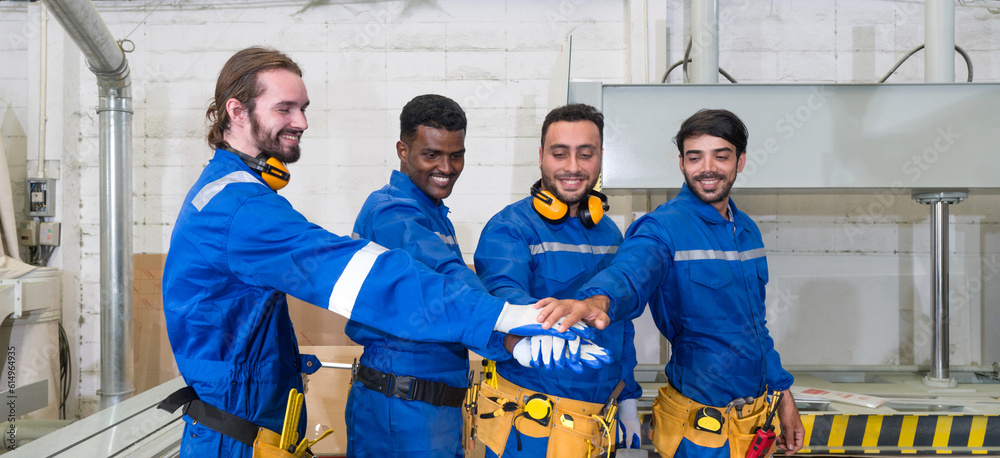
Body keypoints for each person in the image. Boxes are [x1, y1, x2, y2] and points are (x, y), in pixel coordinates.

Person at [160, 47, 607, 458]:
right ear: (237, 112)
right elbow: (367, 277)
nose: (302, 121)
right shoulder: (240, 207)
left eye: (304, 108)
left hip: (254, 425)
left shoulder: (240, 196)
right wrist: (503, 321)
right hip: (237, 434)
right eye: (285, 108)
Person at [577, 109, 805, 458]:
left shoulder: (746, 230)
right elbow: (629, 272)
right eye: (695, 157)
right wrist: (598, 299)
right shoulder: (663, 228)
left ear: (740, 161)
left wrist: (783, 392)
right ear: (681, 163)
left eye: (721, 156)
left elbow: (754, 328)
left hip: (754, 424)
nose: (707, 168)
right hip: (700, 431)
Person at [345, 94, 513, 457]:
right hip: (401, 409)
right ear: (403, 150)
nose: (447, 167)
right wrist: (511, 332)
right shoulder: (392, 213)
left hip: (432, 406)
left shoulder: (433, 212)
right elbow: (446, 276)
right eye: (432, 154)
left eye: (457, 154)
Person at [472, 104, 642, 457]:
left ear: (600, 158)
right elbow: (501, 296)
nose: (573, 167)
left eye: (586, 154)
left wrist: (627, 395)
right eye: (559, 153)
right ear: (541, 157)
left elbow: (620, 325)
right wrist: (534, 329)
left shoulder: (610, 232)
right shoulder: (511, 228)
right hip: (531, 426)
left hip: (597, 424)